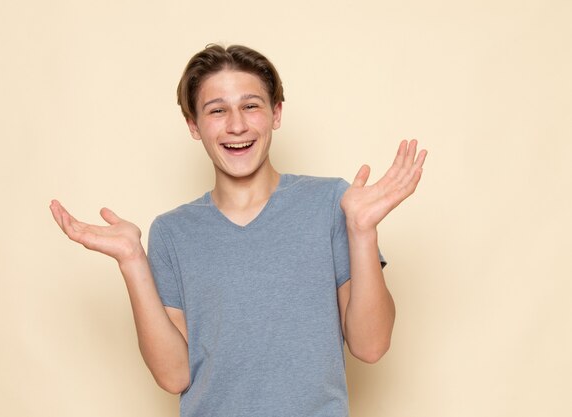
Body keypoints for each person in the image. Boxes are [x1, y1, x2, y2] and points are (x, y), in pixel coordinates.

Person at [50, 44, 427, 417]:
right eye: (217, 110)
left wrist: (362, 231)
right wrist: (132, 260)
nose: (236, 125)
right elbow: (173, 376)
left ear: (276, 112)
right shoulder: (171, 232)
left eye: (251, 106)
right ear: (194, 125)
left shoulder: (332, 203)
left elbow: (371, 346)